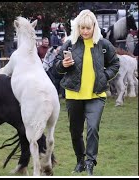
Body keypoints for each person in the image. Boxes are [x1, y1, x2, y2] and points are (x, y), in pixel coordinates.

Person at [54, 9, 120, 176]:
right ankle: (80, 161)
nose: (84, 31)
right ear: (77, 27)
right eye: (81, 28)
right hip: (73, 95)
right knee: (75, 131)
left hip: (96, 95)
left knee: (92, 128)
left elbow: (115, 64)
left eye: (87, 28)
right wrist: (63, 64)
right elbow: (56, 67)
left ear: (94, 27)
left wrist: (105, 76)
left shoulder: (103, 44)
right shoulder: (70, 43)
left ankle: (90, 162)